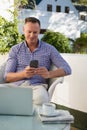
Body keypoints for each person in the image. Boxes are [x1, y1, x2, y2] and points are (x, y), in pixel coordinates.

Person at [4, 17, 71, 105]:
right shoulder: (15, 49)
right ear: (24, 30)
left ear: (39, 31)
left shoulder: (49, 49)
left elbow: (67, 69)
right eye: (29, 32)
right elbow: (7, 77)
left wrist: (49, 74)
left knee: (41, 99)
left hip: (37, 86)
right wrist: (24, 74)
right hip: (16, 86)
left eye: (35, 32)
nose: (32, 35)